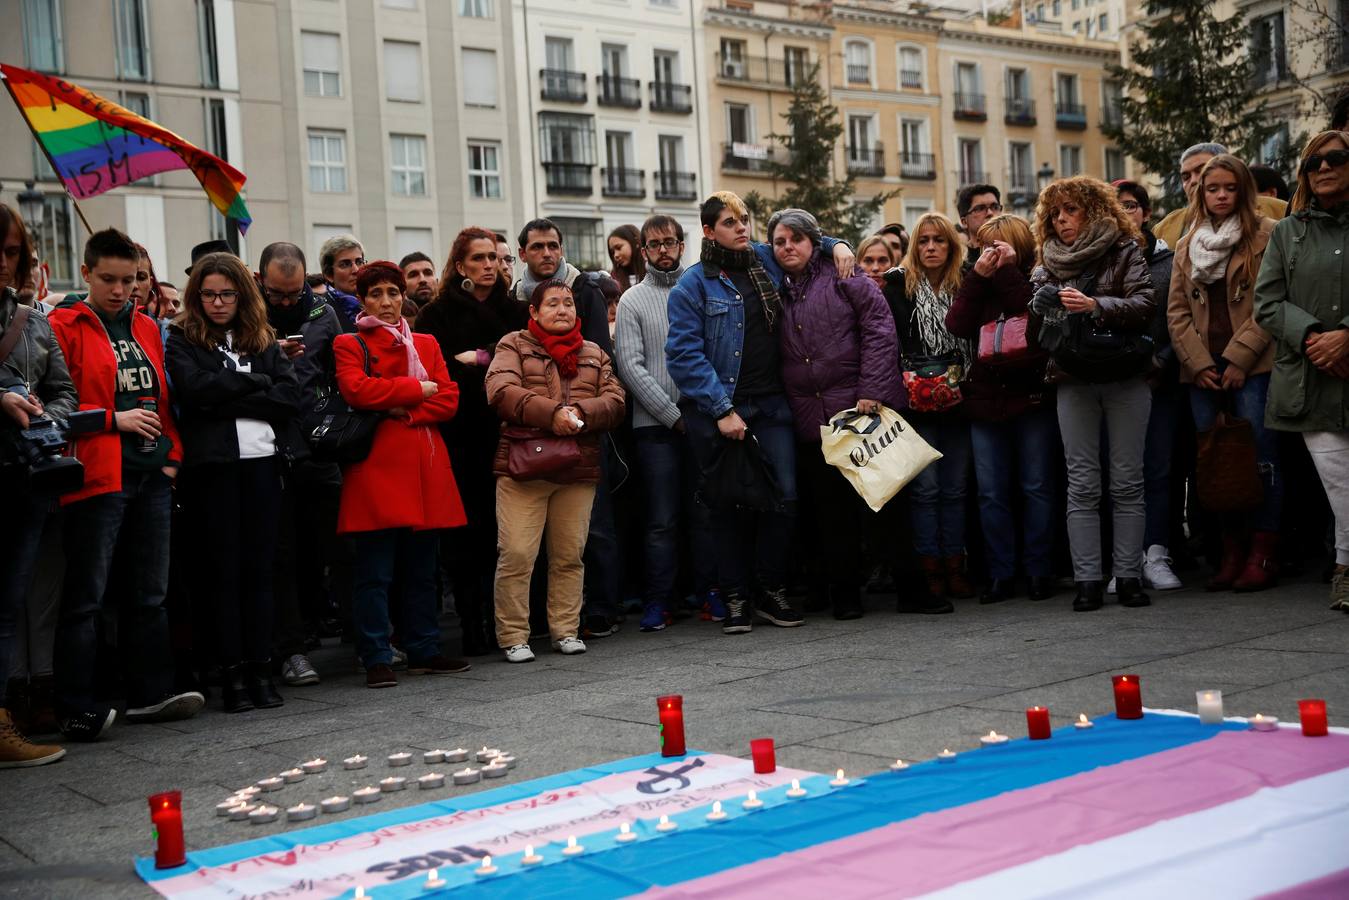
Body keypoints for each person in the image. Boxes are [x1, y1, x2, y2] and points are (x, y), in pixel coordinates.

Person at [666, 191, 854, 634]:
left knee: (784, 499)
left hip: (772, 405)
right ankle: (735, 598)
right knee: (729, 507)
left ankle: (771, 589)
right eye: (730, 222)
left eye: (745, 219)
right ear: (709, 231)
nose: (742, 228)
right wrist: (722, 409)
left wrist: (840, 244)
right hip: (721, 410)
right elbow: (683, 355)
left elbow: (810, 239)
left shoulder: (764, 261)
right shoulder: (692, 284)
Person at [48, 228, 204, 738]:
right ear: (87, 274)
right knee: (87, 597)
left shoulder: (147, 326)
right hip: (96, 477)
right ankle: (74, 705)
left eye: (131, 279)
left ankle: (149, 695)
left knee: (149, 594)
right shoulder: (62, 325)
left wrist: (172, 459)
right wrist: (113, 420)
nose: (121, 290)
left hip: (151, 476)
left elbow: (163, 401)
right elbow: (53, 410)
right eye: (110, 279)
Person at [166, 253, 305, 711]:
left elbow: (288, 397)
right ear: (196, 296)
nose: (218, 302)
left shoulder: (261, 338)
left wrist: (233, 386)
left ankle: (261, 670)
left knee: (259, 572)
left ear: (241, 295)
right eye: (209, 294)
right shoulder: (182, 338)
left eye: (226, 294)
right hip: (214, 469)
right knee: (223, 575)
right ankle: (232, 676)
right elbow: (195, 393)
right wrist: (255, 384)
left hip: (263, 464)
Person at [333, 261, 470, 687]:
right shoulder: (349, 343)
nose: (388, 302)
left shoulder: (426, 342)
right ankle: (376, 654)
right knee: (375, 572)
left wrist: (398, 409)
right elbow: (356, 390)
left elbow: (448, 399)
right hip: (378, 468)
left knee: (421, 569)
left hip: (425, 465)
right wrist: (416, 391)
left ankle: (423, 649)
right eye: (377, 294)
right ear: (363, 299)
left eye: (393, 293)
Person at [770, 209, 903, 619]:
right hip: (811, 417)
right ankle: (842, 595)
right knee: (829, 514)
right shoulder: (775, 283)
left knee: (888, 505)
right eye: (780, 241)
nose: (787, 246)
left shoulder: (845, 273)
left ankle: (912, 589)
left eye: (797, 239)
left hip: (860, 410)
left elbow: (879, 327)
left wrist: (872, 390)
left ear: (814, 242)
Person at [1030, 177, 1156, 612]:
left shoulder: (1125, 250)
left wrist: (1095, 305)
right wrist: (1044, 304)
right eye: (1055, 214)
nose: (1061, 220)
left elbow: (1145, 305)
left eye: (1070, 210)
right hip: (1074, 376)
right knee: (1082, 483)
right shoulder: (1046, 262)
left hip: (1125, 374)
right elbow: (1037, 328)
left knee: (1127, 481)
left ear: (1094, 210)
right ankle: (1087, 580)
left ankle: (1128, 577)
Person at [485, 280, 626, 661]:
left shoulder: (594, 352)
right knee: (516, 554)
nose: (562, 309)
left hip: (577, 466)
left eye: (568, 303)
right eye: (552, 303)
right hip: (523, 466)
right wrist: (552, 414)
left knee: (569, 554)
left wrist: (581, 413)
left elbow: (615, 400)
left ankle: (565, 629)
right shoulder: (512, 344)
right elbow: (499, 389)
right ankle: (514, 635)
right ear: (533, 311)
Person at [1168, 155, 1281, 592]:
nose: (1219, 195)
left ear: (1242, 191)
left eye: (1228, 188)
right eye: (1211, 188)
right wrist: (1198, 364)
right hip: (1201, 370)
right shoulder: (1187, 242)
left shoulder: (1267, 234)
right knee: (1215, 459)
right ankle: (1230, 551)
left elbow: (1270, 302)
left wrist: (1239, 358)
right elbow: (1177, 312)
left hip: (1253, 365)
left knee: (1262, 457)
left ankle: (1264, 550)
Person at [414, 227, 527, 656]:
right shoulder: (436, 314)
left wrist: (480, 358)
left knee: (510, 533)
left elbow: (526, 364)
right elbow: (435, 376)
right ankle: (471, 622)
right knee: (466, 535)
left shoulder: (516, 311)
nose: (487, 266)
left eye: (492, 258)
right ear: (460, 265)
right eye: (477, 259)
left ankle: (511, 622)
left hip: (510, 431)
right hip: (460, 437)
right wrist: (486, 366)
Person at [511, 218, 620, 635]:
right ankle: (546, 614)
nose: (547, 253)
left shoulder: (585, 291)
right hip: (534, 427)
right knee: (538, 530)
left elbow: (597, 359)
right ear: (523, 253)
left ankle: (601, 608)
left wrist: (575, 411)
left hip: (585, 421)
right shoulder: (514, 298)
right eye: (537, 247)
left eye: (553, 245)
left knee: (596, 524)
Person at [1255, 130, 1349, 611]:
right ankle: (1346, 570)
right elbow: (1267, 303)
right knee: (1338, 482)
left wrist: (1346, 335)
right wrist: (1314, 336)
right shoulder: (1288, 231)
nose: (1324, 169)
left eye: (1336, 159)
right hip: (1310, 376)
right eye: (1314, 164)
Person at [945, 214, 1058, 603]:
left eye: (997, 244)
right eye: (983, 243)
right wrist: (977, 277)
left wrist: (1008, 271)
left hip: (1030, 399)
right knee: (992, 493)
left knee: (1037, 487)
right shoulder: (974, 280)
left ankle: (1039, 570)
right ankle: (1000, 573)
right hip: (985, 401)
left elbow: (1031, 319)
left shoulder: (1036, 276)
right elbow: (957, 324)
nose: (988, 251)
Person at [615, 216, 719, 631]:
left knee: (705, 512)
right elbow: (630, 366)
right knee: (661, 519)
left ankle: (711, 591)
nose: (663, 250)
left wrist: (705, 410)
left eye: (670, 242)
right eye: (654, 244)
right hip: (655, 427)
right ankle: (659, 600)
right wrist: (675, 418)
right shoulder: (632, 300)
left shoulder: (700, 291)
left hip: (703, 419)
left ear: (681, 245)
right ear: (643, 251)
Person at [0, 203, 76, 767]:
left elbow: (64, 389)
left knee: (9, 604)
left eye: (11, 253)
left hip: (26, 474)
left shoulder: (33, 319)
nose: (4, 264)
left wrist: (45, 412)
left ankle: (2, 723)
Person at [258, 241, 346, 686]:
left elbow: (338, 375)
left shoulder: (323, 314)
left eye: (295, 294)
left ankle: (335, 629)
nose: (288, 302)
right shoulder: (248, 316)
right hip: (269, 445)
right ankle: (291, 648)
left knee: (330, 545)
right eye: (279, 295)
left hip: (318, 445)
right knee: (282, 551)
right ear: (261, 282)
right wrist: (269, 354)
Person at [884, 212, 976, 604]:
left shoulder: (968, 283)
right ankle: (930, 569)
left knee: (954, 489)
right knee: (925, 491)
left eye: (939, 240)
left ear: (951, 246)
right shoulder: (896, 285)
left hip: (961, 399)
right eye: (924, 241)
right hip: (916, 402)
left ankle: (956, 566)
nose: (931, 247)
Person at [1115, 180, 1183, 592]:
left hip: (1160, 380)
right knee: (1119, 474)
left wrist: (1163, 360)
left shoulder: (1169, 261)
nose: (1125, 214)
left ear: (1145, 212)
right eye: (1115, 207)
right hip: (1113, 382)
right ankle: (1124, 559)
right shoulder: (1096, 260)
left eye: (1131, 205)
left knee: (1158, 468)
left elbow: (1182, 317)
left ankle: (1156, 552)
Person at [1155, 143, 1287, 246]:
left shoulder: (1276, 209)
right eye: (1186, 176)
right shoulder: (1165, 227)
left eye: (1201, 170)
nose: (1194, 180)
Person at [318, 234, 365, 328]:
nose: (356, 270)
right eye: (345, 264)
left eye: (359, 262)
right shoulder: (321, 313)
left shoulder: (375, 304)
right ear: (329, 274)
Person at [957, 184, 1003, 266]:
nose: (990, 213)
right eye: (980, 209)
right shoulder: (958, 264)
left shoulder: (1017, 252)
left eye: (995, 207)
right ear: (964, 222)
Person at [607, 224, 646, 295]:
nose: (616, 255)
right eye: (612, 252)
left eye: (619, 248)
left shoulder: (654, 274)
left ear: (636, 242)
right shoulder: (613, 280)